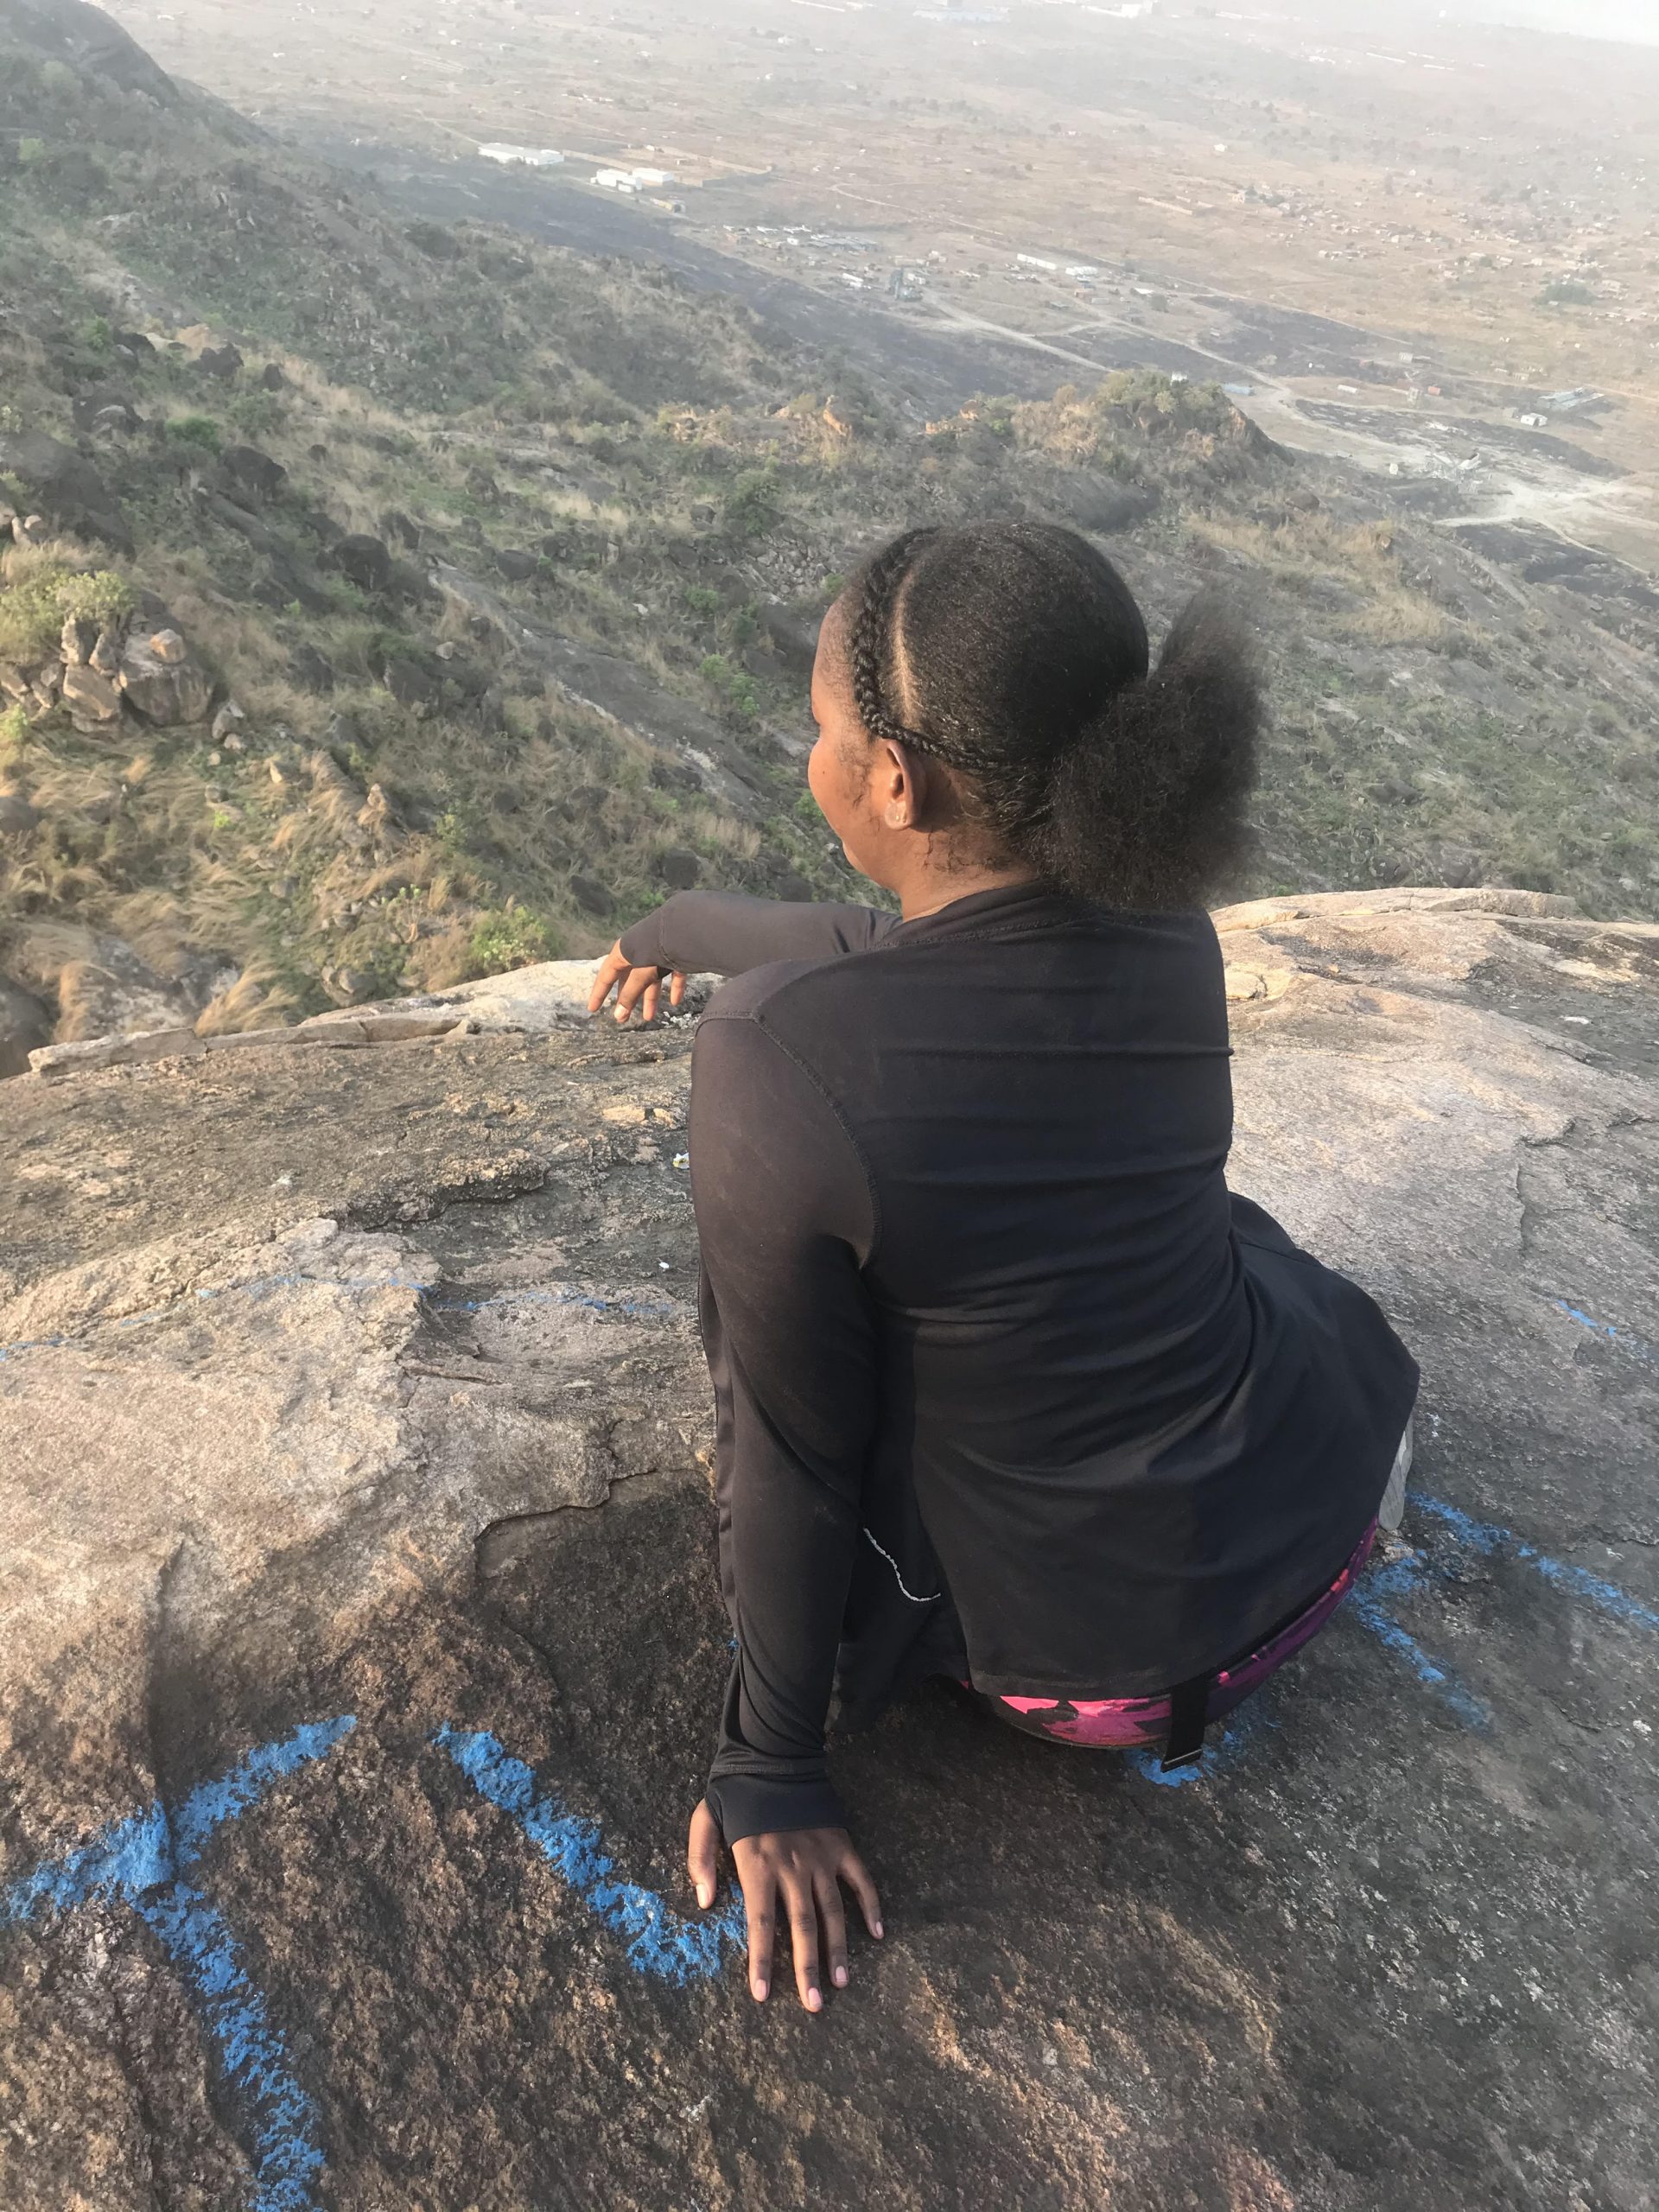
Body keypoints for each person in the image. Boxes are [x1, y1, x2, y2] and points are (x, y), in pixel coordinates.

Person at [588, 521, 1419, 2015]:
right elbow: (871, 942)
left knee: (809, 1333)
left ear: (895, 779)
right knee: (1224, 1243)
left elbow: (783, 1450)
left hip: (1092, 1676)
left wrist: (770, 1761)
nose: (809, 757)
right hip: (1309, 1523)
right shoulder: (1165, 929)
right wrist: (671, 928)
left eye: (825, 729)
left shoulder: (776, 1060)